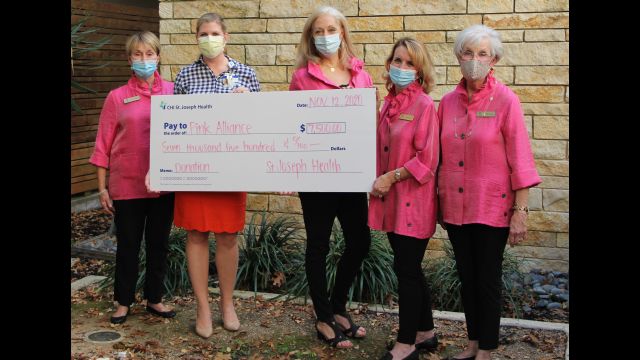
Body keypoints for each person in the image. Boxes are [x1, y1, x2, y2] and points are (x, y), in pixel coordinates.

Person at [437, 25, 541, 360]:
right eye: (468, 53)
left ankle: (488, 348)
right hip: (456, 207)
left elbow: (520, 159)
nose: (474, 60)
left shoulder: (506, 101)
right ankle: (472, 343)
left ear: (493, 58)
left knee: (487, 280)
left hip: (492, 208)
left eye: (482, 53)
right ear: (458, 57)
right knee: (466, 278)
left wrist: (520, 213)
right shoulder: (448, 103)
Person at [171, 12, 260, 339]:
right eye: (203, 33)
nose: (209, 38)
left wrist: (250, 104)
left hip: (231, 168)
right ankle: (202, 309)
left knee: (228, 237)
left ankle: (227, 304)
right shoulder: (185, 76)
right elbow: (173, 128)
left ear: (226, 36)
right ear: (197, 37)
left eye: (214, 32)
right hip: (194, 170)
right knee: (195, 234)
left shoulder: (246, 74)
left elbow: (260, 125)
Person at [289, 6, 372, 349]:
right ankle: (323, 318)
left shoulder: (360, 74)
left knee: (360, 242)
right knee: (318, 246)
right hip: (318, 178)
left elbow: (368, 124)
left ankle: (338, 305)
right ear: (311, 37)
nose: (325, 37)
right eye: (318, 32)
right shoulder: (302, 77)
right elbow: (292, 125)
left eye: (331, 30)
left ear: (342, 32)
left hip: (352, 175)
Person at [90, 31, 177, 325]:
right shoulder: (117, 97)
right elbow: (103, 144)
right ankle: (123, 302)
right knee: (128, 245)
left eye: (149, 54)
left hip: (164, 185)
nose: (144, 60)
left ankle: (155, 299)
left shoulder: (173, 92)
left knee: (158, 244)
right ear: (129, 59)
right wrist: (102, 188)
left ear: (158, 56)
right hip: (126, 185)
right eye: (138, 55)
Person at [368, 38, 440, 360]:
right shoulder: (388, 104)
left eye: (410, 63)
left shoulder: (424, 105)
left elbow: (428, 160)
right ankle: (426, 332)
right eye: (397, 61)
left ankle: (407, 342)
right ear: (389, 64)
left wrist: (391, 177)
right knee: (409, 267)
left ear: (420, 70)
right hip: (393, 202)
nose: (402, 68)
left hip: (413, 203)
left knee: (407, 270)